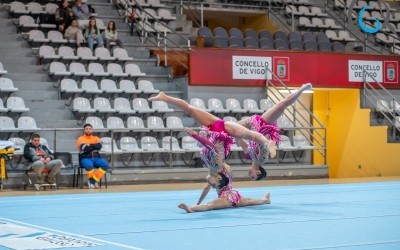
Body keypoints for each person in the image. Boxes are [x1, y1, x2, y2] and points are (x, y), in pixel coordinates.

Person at [148, 93, 276, 162]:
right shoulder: (222, 166)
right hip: (224, 129)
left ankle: (165, 98)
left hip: (215, 129)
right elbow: (244, 141)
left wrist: (198, 136)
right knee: (249, 135)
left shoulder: (214, 164)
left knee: (190, 110)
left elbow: (208, 145)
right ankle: (267, 142)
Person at [238, 83, 313, 181]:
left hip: (253, 123)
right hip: (263, 125)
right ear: (258, 172)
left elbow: (244, 145)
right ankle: (302, 89)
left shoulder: (250, 157)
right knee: (282, 105)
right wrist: (271, 146)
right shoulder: (262, 159)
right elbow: (266, 144)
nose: (249, 174)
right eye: (252, 176)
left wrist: (237, 137)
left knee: (227, 127)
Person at [178, 156, 270, 213]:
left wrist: (198, 203)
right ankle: (266, 199)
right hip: (235, 195)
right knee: (250, 201)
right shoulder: (221, 172)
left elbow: (207, 188)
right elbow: (207, 188)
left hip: (226, 197)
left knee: (210, 205)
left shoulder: (221, 172)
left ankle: (191, 209)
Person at [76, 123, 108, 189]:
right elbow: (85, 148)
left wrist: (89, 145)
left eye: (90, 129)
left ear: (92, 130)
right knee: (89, 165)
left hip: (96, 158)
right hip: (85, 158)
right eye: (86, 129)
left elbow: (99, 146)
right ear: (84, 130)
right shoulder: (80, 139)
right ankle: (93, 182)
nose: (88, 130)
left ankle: (92, 181)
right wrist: (94, 146)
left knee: (105, 165)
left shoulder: (96, 138)